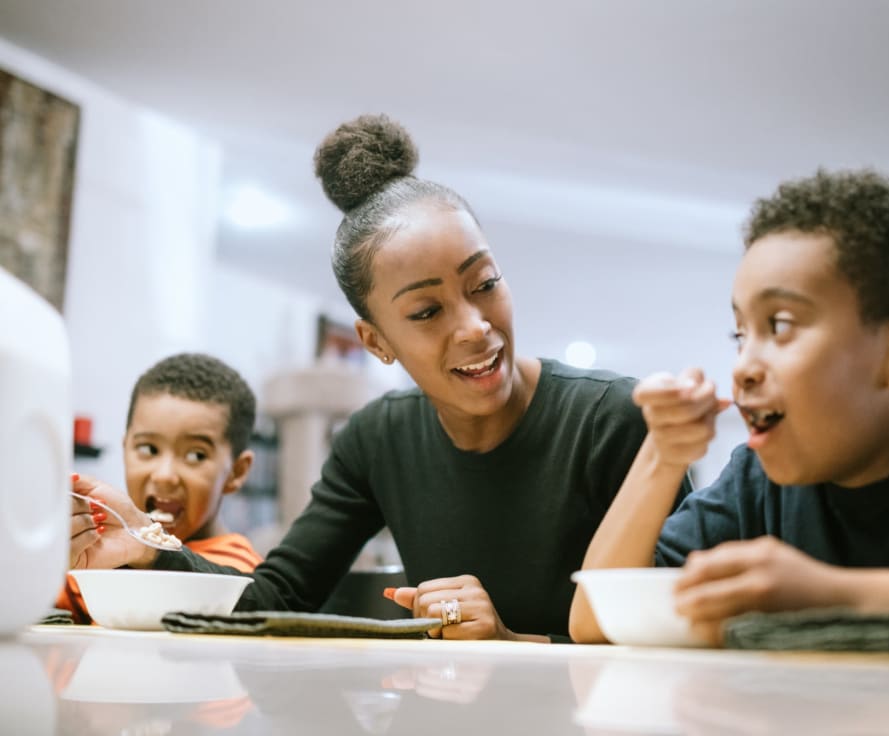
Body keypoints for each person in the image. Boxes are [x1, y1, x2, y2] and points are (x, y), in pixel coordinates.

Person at [70, 113, 691, 642]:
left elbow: (679, 630)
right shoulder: (376, 442)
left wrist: (510, 640)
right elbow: (278, 598)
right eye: (426, 312)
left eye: (485, 284)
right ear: (376, 341)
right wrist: (150, 546)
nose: (474, 326)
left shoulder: (615, 420)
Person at [569, 168, 889, 651]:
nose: (743, 367)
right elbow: (594, 623)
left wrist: (833, 599)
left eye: (779, 325)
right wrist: (663, 455)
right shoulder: (755, 484)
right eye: (740, 334)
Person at [63, 353, 264, 622]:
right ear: (125, 451)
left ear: (236, 472)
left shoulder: (238, 573)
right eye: (148, 449)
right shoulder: (92, 552)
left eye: (196, 455)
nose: (165, 476)